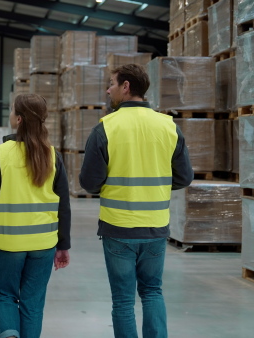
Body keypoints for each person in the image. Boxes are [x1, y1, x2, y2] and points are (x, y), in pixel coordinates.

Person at [79, 64, 194, 338]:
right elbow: (184, 177)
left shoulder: (106, 128)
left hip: (118, 229)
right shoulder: (168, 126)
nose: (108, 89)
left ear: (126, 87)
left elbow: (89, 183)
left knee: (123, 301)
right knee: (153, 292)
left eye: (111, 84)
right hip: (155, 228)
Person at [0, 94, 71, 338]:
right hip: (43, 244)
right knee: (33, 303)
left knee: (5, 295)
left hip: (9, 243)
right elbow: (64, 206)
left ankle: (9, 334)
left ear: (18, 119)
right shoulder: (53, 156)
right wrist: (63, 245)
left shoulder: (0, 154)